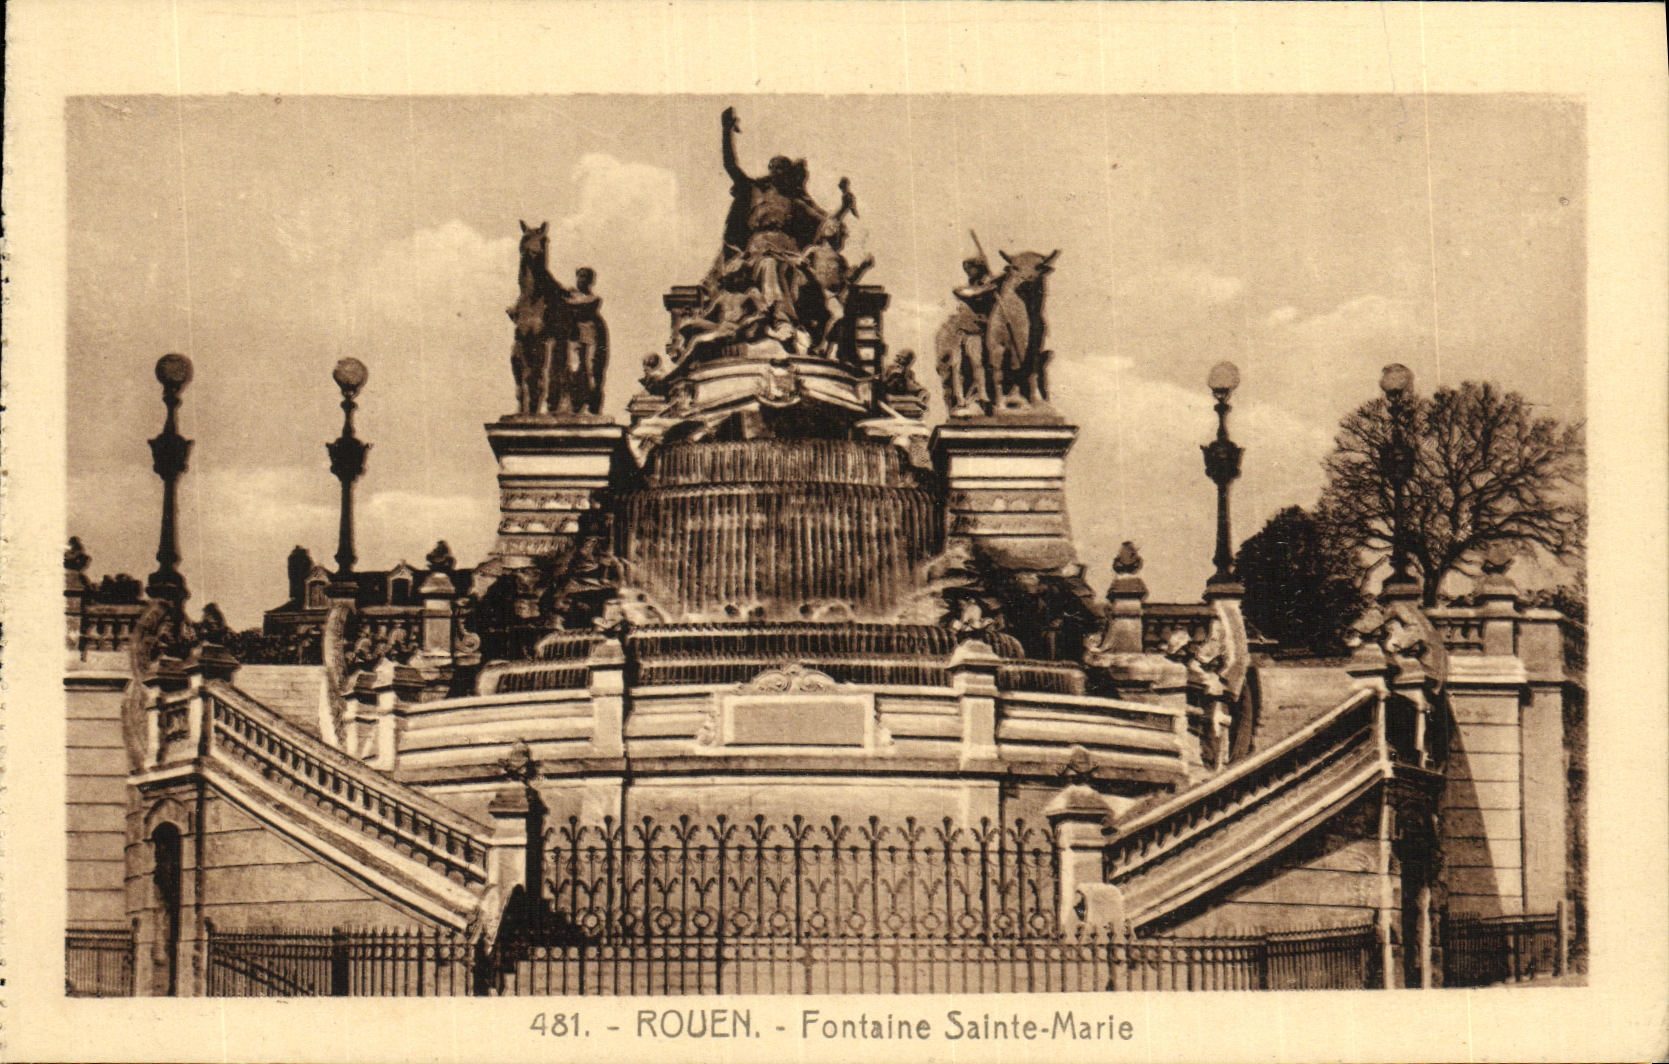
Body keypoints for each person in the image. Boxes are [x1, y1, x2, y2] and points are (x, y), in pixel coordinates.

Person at [718, 107, 830, 337]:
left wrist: (833, 224)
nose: (776, 172)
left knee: (796, 276)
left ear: (788, 173)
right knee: (769, 265)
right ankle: (780, 319)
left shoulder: (795, 203)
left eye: (781, 168)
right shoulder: (754, 191)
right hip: (758, 252)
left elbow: (823, 221)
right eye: (773, 167)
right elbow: (730, 166)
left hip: (788, 252)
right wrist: (726, 131)